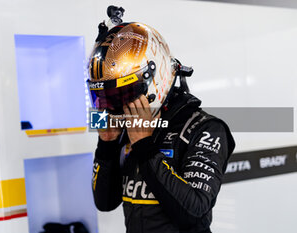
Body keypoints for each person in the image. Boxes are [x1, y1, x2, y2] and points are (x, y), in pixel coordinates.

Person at [87, 19, 235, 233]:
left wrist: (145, 146)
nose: (116, 107)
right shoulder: (127, 127)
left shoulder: (207, 129)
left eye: (123, 94)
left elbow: (194, 213)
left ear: (155, 79)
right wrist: (107, 144)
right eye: (108, 98)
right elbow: (105, 203)